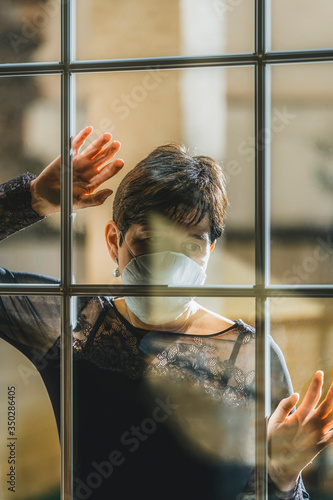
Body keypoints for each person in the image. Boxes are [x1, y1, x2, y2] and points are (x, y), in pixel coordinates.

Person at [1, 126, 333, 500]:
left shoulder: (252, 355)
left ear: (210, 251)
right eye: (151, 240)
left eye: (191, 244)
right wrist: (32, 199)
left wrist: (283, 476)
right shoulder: (74, 325)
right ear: (115, 241)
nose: (171, 264)